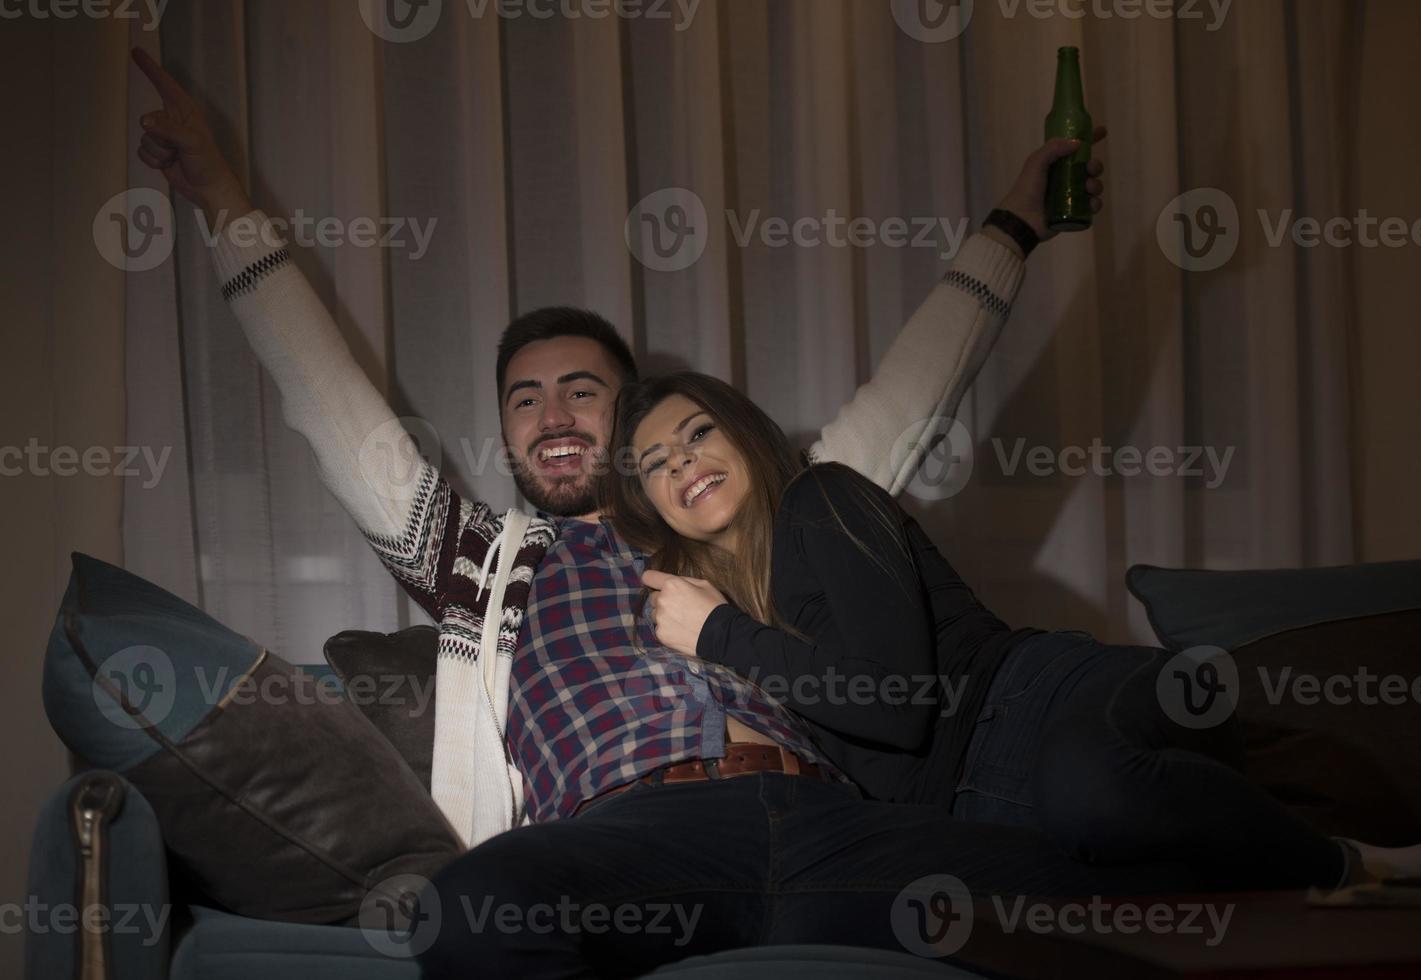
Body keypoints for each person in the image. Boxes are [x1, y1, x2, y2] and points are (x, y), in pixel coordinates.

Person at [128, 47, 1196, 980]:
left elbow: (905, 403)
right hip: (637, 837)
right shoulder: (480, 562)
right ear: (504, 439)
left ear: (631, 414)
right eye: (524, 396)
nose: (552, 413)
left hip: (837, 821)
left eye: (582, 390)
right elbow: (333, 407)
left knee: (1128, 913)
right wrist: (221, 195)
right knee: (469, 916)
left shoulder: (734, 520)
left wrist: (1010, 224)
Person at [602, 370, 1421, 896]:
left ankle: (1340, 862)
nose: (681, 461)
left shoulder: (823, 501)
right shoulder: (721, 615)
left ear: (743, 433)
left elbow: (897, 704)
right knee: (1123, 886)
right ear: (647, 504)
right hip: (985, 810)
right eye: (654, 463)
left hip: (1042, 698)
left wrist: (718, 634)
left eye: (697, 432)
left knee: (1095, 797)